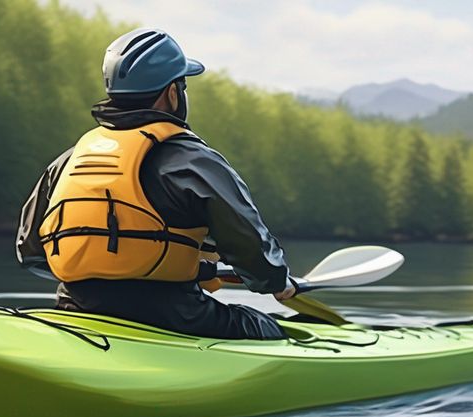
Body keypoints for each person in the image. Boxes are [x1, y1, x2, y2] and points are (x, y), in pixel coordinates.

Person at [16, 28, 295, 340]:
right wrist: (278, 282)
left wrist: (101, 271)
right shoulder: (193, 161)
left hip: (75, 311)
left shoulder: (67, 161)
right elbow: (250, 246)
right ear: (172, 94)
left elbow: (31, 252)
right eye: (183, 86)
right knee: (269, 327)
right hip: (174, 317)